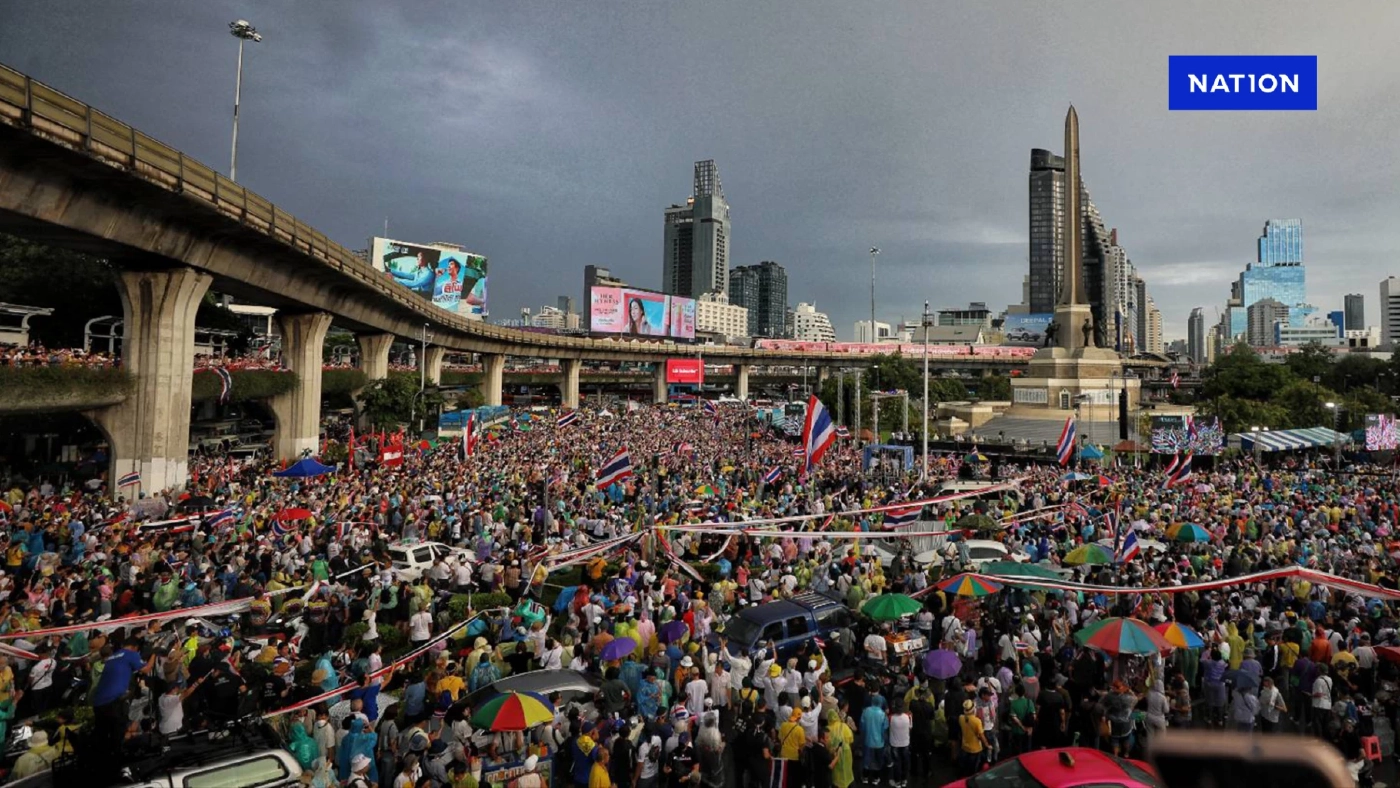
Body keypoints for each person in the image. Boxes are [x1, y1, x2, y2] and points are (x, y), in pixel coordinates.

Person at [957, 699, 988, 777]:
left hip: (964, 747)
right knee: (974, 769)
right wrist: (987, 745)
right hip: (975, 749)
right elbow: (981, 736)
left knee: (966, 767)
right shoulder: (977, 721)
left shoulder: (961, 718)